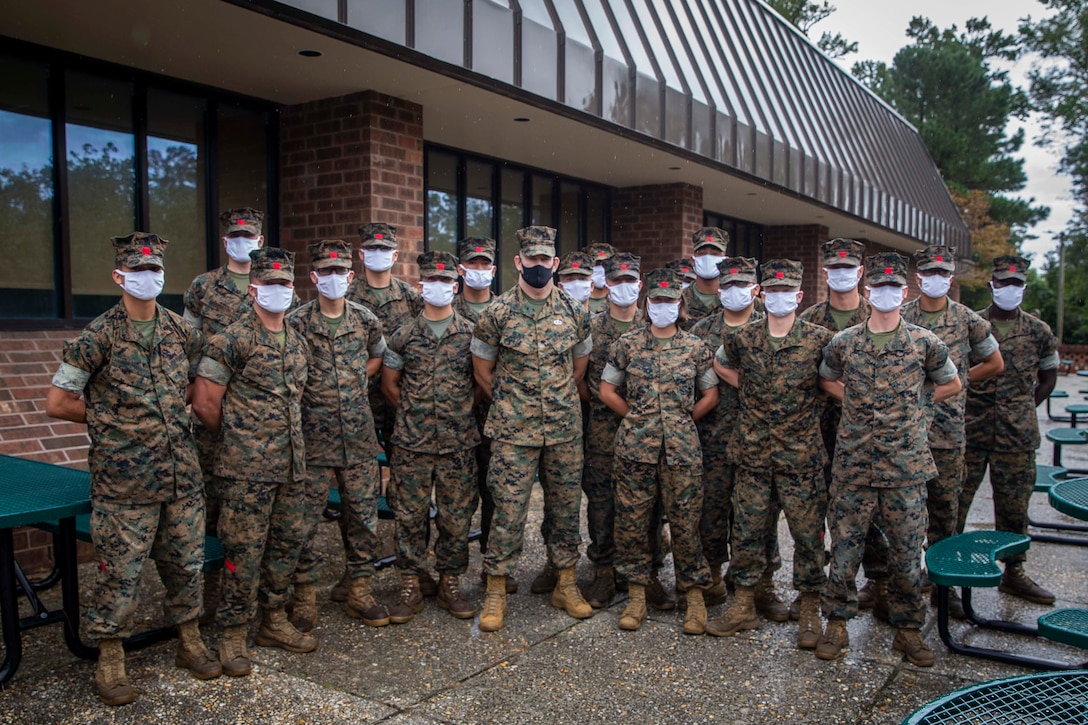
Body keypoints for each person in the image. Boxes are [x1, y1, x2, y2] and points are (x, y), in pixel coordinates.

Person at [47, 233, 220, 705]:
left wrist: (164, 413)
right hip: (124, 482)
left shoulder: (181, 331)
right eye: (139, 271)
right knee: (119, 573)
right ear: (118, 277)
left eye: (156, 270)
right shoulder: (97, 337)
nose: (150, 278)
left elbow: (193, 383)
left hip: (181, 475)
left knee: (185, 563)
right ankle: (110, 658)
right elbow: (59, 402)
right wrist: (110, 420)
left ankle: (189, 640)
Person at [816, 252, 961, 667]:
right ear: (867, 290)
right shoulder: (844, 343)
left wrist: (919, 405)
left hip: (905, 468)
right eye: (877, 287)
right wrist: (855, 400)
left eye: (893, 288)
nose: (884, 294)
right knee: (844, 551)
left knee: (904, 554)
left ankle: (908, 630)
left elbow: (951, 382)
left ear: (904, 293)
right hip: (854, 466)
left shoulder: (924, 342)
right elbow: (826, 378)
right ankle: (837, 624)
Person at [191, 247, 314, 677]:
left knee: (284, 549)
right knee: (242, 554)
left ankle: (274, 622)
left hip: (292, 467)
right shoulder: (230, 341)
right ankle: (232, 634)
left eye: (285, 283)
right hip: (245, 471)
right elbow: (205, 404)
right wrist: (243, 438)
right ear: (254, 288)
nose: (278, 290)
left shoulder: (298, 342)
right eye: (270, 283)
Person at [471, 225, 593, 632]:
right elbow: (483, 372)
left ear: (555, 264)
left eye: (545, 259)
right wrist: (513, 404)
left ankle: (565, 582)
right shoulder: (496, 314)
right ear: (518, 262)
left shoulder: (576, 312)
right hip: (513, 432)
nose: (538, 266)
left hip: (563, 430)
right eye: (531, 259)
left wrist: (553, 400)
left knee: (564, 510)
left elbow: (579, 369)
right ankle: (495, 590)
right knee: (507, 512)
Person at [707, 259, 832, 649]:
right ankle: (743, 604)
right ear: (761, 294)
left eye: (787, 292)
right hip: (754, 454)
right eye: (772, 291)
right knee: (747, 532)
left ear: (799, 296)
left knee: (808, 536)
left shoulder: (820, 339)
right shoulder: (743, 338)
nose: (779, 297)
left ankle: (810, 610)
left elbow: (831, 382)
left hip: (801, 457)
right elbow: (720, 363)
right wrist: (749, 386)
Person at [600, 268, 719, 634]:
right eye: (656, 300)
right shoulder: (627, 345)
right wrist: (637, 418)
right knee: (633, 525)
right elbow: (607, 390)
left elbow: (710, 394)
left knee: (685, 525)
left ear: (679, 305)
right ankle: (637, 597)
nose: (662, 306)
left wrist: (682, 419)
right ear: (646, 303)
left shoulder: (696, 347)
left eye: (669, 300)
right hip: (635, 450)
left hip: (682, 451)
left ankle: (694, 598)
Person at [285, 240, 388, 630]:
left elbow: (377, 354)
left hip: (359, 437)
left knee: (362, 517)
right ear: (313, 277)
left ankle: (360, 590)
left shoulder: (364, 319)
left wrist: (359, 376)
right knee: (304, 522)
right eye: (325, 272)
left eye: (340, 272)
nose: (333, 278)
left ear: (351, 276)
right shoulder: (296, 322)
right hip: (312, 441)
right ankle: (305, 596)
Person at [901, 245, 1003, 618]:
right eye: (929, 273)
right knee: (903, 517)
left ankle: (944, 588)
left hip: (947, 432)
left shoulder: (968, 320)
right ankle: (902, 585)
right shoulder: (901, 316)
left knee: (946, 514)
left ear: (951, 278)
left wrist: (959, 381)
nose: (936, 279)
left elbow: (994, 361)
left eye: (942, 274)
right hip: (906, 435)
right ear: (917, 278)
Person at [382, 250, 480, 622]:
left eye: (445, 281)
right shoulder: (403, 335)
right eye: (430, 281)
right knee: (409, 516)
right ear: (420, 287)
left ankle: (450, 582)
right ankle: (410, 582)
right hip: (412, 443)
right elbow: (391, 385)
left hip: (459, 442)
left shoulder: (471, 334)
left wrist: (459, 412)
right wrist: (414, 413)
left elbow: (481, 382)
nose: (437, 287)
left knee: (456, 517)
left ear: (455, 287)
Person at [183, 207, 269, 624]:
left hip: (261, 421)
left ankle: (251, 598)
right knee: (211, 510)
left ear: (260, 239)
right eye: (235, 234)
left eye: (249, 234)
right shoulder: (203, 287)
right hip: (212, 415)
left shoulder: (272, 283)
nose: (242, 240)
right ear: (225, 241)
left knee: (253, 515)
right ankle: (209, 598)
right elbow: (189, 346)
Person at [959, 254, 1059, 604]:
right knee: (954, 503)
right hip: (970, 430)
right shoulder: (971, 324)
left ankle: (1013, 572)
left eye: (1016, 284)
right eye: (1003, 283)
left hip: (1017, 436)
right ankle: (943, 568)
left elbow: (1048, 377)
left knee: (1014, 508)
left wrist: (1022, 407)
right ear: (992, 285)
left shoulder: (1038, 331)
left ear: (1024, 288)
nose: (1009, 289)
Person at [798, 238, 883, 619]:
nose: (842, 273)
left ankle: (878, 583)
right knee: (817, 513)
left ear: (861, 272)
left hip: (867, 438)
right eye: (835, 267)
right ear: (825, 272)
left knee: (869, 514)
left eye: (850, 267)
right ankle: (816, 588)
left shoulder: (878, 315)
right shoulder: (809, 320)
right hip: (818, 434)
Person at [580, 252, 671, 610]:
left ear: (640, 285)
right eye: (615, 281)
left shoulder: (654, 329)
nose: (623, 287)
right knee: (601, 506)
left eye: (629, 281)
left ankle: (644, 576)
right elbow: (580, 378)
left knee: (646, 507)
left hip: (647, 438)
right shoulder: (588, 326)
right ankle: (603, 571)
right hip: (602, 432)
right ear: (606, 284)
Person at [344, 222, 427, 600]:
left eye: (385, 249)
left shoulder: (411, 298)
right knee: (356, 491)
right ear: (360, 254)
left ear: (396, 255)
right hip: (356, 404)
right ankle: (356, 574)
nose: (377, 254)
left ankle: (413, 566)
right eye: (370, 249)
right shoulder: (345, 293)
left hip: (399, 402)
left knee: (408, 489)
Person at [690, 256, 775, 615]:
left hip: (759, 438)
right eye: (727, 286)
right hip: (712, 437)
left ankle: (761, 584)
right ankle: (711, 575)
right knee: (710, 509)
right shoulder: (700, 332)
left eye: (742, 285)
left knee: (759, 515)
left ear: (755, 289)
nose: (734, 292)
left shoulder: (772, 327)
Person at [452, 236, 515, 593]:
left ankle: (494, 570)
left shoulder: (506, 309)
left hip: (498, 417)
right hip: (455, 420)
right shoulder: (445, 305)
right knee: (458, 498)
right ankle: (451, 574)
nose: (478, 270)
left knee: (497, 494)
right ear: (460, 269)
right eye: (471, 264)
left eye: (484, 264)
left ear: (493, 269)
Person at [681, 227, 729, 330]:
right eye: (702, 253)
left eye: (715, 254)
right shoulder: (678, 300)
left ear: (725, 261)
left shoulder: (736, 299)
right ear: (692, 261)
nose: (708, 258)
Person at [586, 242, 617, 314]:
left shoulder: (619, 302)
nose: (601, 268)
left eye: (605, 264)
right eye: (597, 263)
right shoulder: (577, 301)